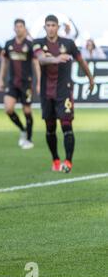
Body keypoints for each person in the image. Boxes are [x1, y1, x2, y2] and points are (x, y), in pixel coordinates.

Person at [33, 15, 94, 173]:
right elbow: (41, 59)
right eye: (48, 25)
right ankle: (55, 159)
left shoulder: (68, 43)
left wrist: (90, 78)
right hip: (47, 93)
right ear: (44, 27)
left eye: (53, 25)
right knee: (50, 128)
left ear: (58, 27)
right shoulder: (38, 43)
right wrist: (56, 59)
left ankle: (68, 161)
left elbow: (81, 61)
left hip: (64, 91)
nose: (51, 28)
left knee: (66, 125)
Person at [0, 19, 41, 149]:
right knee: (8, 109)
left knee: (27, 111)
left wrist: (39, 82)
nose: (18, 28)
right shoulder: (9, 44)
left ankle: (29, 138)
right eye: (16, 26)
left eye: (21, 26)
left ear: (24, 28)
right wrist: (1, 79)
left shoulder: (30, 44)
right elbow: (4, 62)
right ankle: (22, 129)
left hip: (26, 83)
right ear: (14, 28)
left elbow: (35, 63)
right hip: (12, 83)